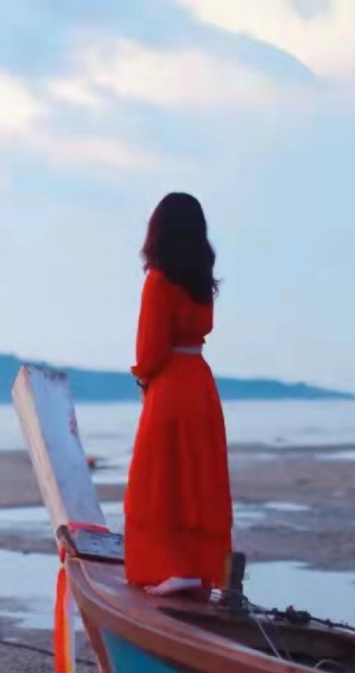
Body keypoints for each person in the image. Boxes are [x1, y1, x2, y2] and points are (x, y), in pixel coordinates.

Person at [124, 192, 233, 596]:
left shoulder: (159, 280)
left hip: (170, 385)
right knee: (197, 477)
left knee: (161, 478)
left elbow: (150, 348)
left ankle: (175, 566)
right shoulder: (201, 283)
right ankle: (200, 570)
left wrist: (143, 376)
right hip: (200, 383)